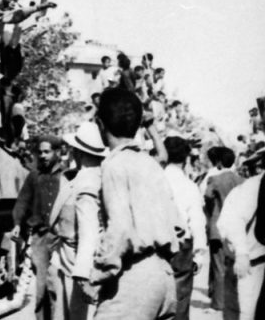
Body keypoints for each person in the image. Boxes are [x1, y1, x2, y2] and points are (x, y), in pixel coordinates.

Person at [90, 87, 180, 320]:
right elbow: (177, 225)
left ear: (100, 124)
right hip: (163, 276)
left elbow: (120, 230)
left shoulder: (114, 165)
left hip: (133, 279)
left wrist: (98, 273)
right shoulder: (149, 163)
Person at [50, 122, 106, 320]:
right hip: (71, 258)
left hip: (76, 262)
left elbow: (88, 232)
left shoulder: (86, 182)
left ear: (78, 152)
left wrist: (83, 272)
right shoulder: (97, 176)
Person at [13, 135, 65, 320]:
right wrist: (17, 223)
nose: (42, 156)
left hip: (60, 238)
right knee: (41, 287)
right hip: (40, 238)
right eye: (40, 152)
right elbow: (22, 201)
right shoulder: (34, 176)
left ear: (57, 152)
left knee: (58, 286)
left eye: (47, 152)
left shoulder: (67, 175)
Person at [163, 135, 208, 320]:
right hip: (181, 247)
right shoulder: (189, 186)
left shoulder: (154, 181)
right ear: (186, 159)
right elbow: (197, 222)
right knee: (180, 301)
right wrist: (199, 254)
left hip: (155, 244)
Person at [218, 168, 264, 320]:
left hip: (254, 262)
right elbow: (232, 221)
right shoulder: (252, 187)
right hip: (250, 264)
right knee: (245, 314)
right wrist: (242, 253)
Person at [204, 146, 245, 312]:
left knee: (219, 267)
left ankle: (218, 303)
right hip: (237, 228)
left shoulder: (214, 180)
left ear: (219, 162)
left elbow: (207, 197)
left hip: (218, 227)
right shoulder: (241, 180)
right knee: (234, 265)